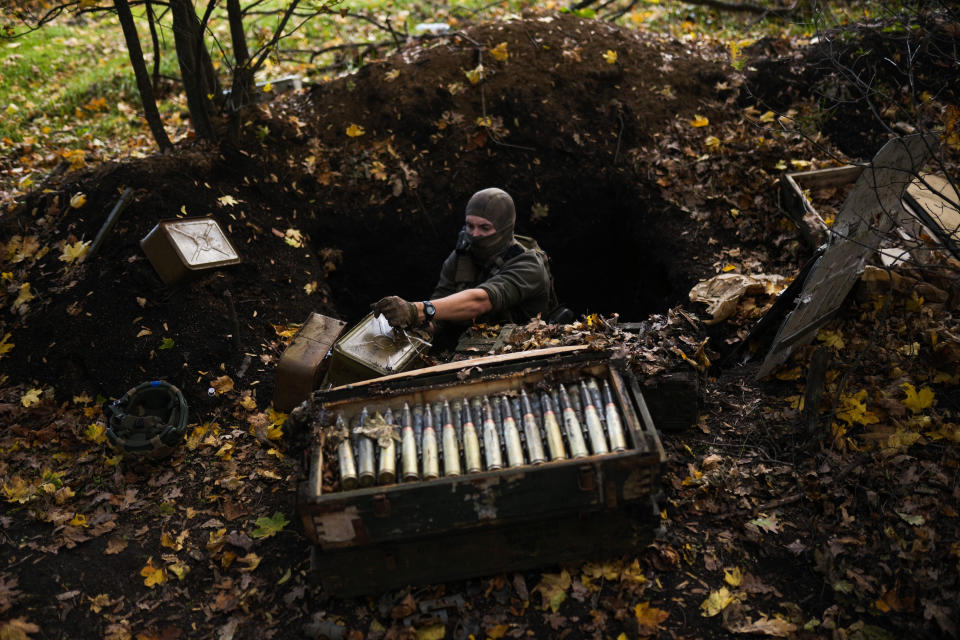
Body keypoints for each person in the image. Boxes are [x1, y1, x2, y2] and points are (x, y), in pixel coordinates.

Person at [372, 188, 557, 336]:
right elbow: (440, 311)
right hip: (473, 348)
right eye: (470, 226)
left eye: (484, 228)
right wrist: (421, 329)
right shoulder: (461, 258)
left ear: (504, 228)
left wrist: (416, 310)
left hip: (523, 348)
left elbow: (481, 300)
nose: (475, 235)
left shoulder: (529, 265)